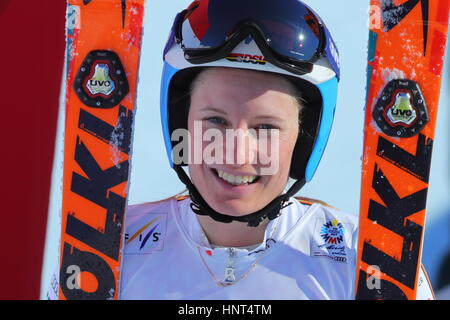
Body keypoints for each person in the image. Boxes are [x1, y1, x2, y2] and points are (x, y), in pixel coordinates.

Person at [48, 0, 434, 300]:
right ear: (182, 125)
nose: (235, 153)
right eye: (215, 121)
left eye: (265, 128)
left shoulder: (361, 263)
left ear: (303, 141)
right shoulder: (106, 252)